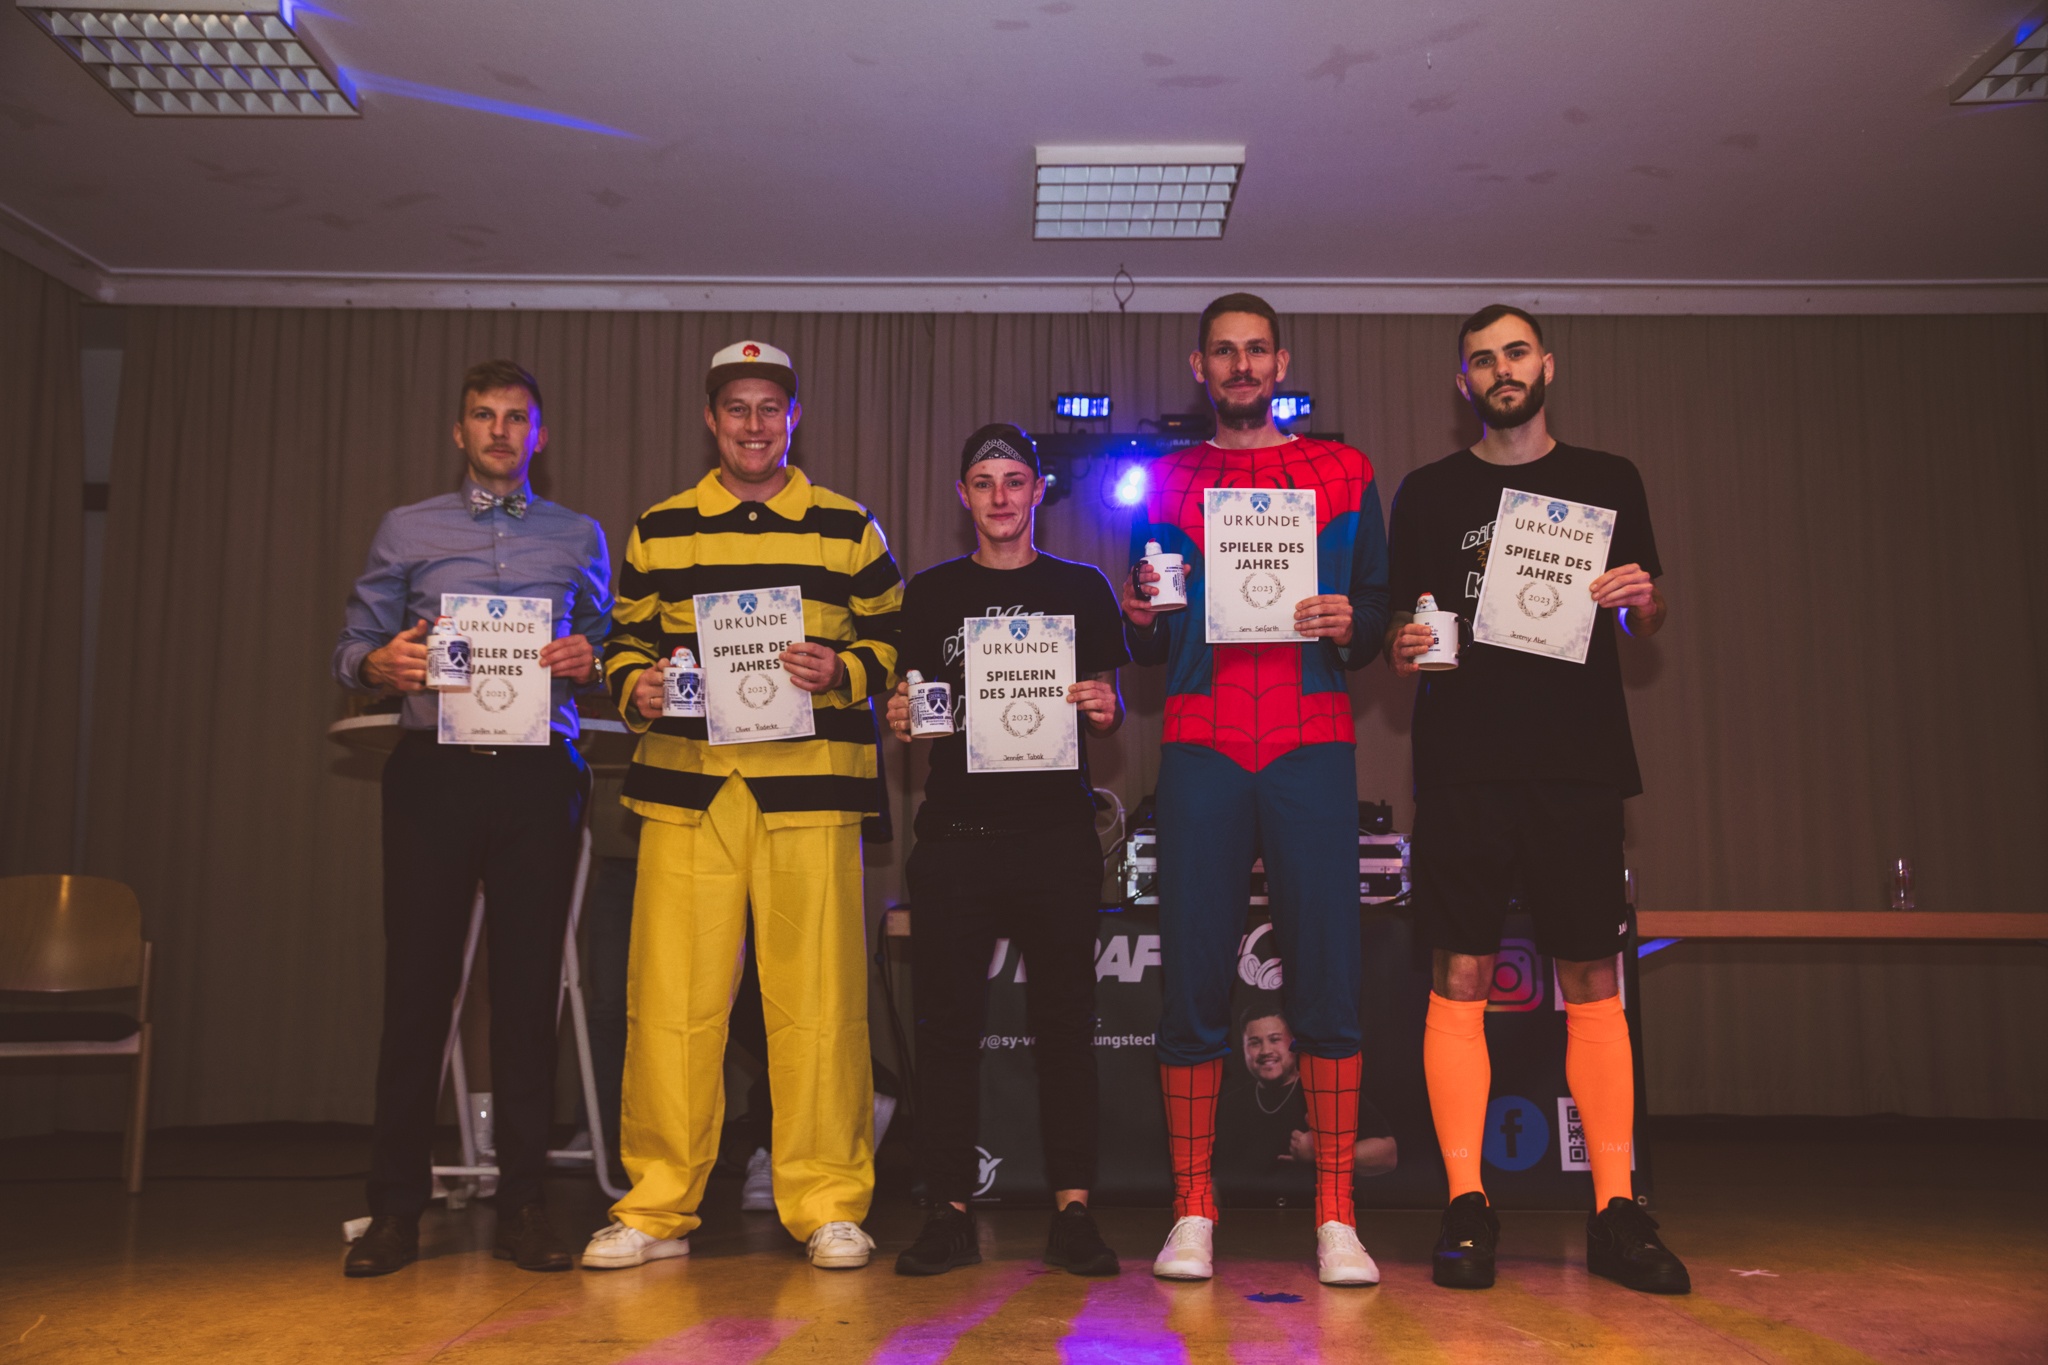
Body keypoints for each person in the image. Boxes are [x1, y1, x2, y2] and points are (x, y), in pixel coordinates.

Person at [1385, 303, 1690, 1294]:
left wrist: (1640, 603)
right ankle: (1465, 1204)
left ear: (1546, 365)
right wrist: (1402, 644)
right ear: (1462, 382)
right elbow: (1402, 625)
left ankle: (1615, 1210)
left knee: (1591, 977)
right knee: (1459, 973)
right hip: (1464, 765)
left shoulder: (1608, 480)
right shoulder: (1428, 492)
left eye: (1515, 352)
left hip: (1577, 763)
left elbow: (1645, 615)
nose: (1501, 369)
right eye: (1482, 360)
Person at [584, 340, 902, 1271]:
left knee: (820, 1002)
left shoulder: (848, 526)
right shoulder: (659, 527)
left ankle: (829, 1200)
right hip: (690, 791)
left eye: (770, 407)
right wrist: (636, 685)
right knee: (670, 1001)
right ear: (711, 419)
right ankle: (656, 1204)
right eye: (737, 408)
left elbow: (894, 637)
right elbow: (621, 642)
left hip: (811, 790)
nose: (754, 424)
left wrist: (842, 667)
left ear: (793, 417)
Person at [1121, 294, 1390, 1286]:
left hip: (1313, 738)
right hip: (1200, 740)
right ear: (1199, 367)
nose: (1241, 366)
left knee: (1327, 976)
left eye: (1256, 350)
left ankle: (1336, 1214)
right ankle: (1192, 1207)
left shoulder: (1345, 470)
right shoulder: (1165, 479)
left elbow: (1377, 607)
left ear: (1280, 363)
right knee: (1192, 978)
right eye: (1223, 352)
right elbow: (1155, 635)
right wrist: (1139, 618)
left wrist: (1353, 621)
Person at [333, 360, 611, 1276]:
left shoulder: (580, 534)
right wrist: (379, 666)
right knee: (417, 992)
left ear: (539, 434)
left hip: (539, 779)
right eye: (484, 416)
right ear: (460, 432)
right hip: (435, 778)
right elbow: (352, 647)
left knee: (528, 996)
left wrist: (590, 658)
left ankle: (523, 1206)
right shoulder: (406, 527)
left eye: (516, 417)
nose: (499, 430)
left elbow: (609, 643)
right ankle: (395, 1210)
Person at [882, 423, 1129, 1278]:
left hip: (1056, 838)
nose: (999, 496)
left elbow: (1108, 702)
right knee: (947, 1029)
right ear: (963, 495)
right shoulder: (930, 593)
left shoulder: (1082, 586)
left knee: (1065, 1028)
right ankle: (947, 1210)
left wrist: (1105, 708)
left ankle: (1074, 1212)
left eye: (1014, 480)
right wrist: (903, 717)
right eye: (983, 481)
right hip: (955, 840)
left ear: (1038, 491)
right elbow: (915, 702)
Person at [1214, 1005, 1397, 1202]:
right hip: (1248, 1217)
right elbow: (1212, 1180)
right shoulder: (1229, 1105)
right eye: (1254, 1042)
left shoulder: (1326, 1092)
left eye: (1275, 1039)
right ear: (1244, 1049)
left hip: (1318, 1214)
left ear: (1293, 1042)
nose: (1266, 1050)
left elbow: (1388, 1155)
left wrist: (1321, 1150)